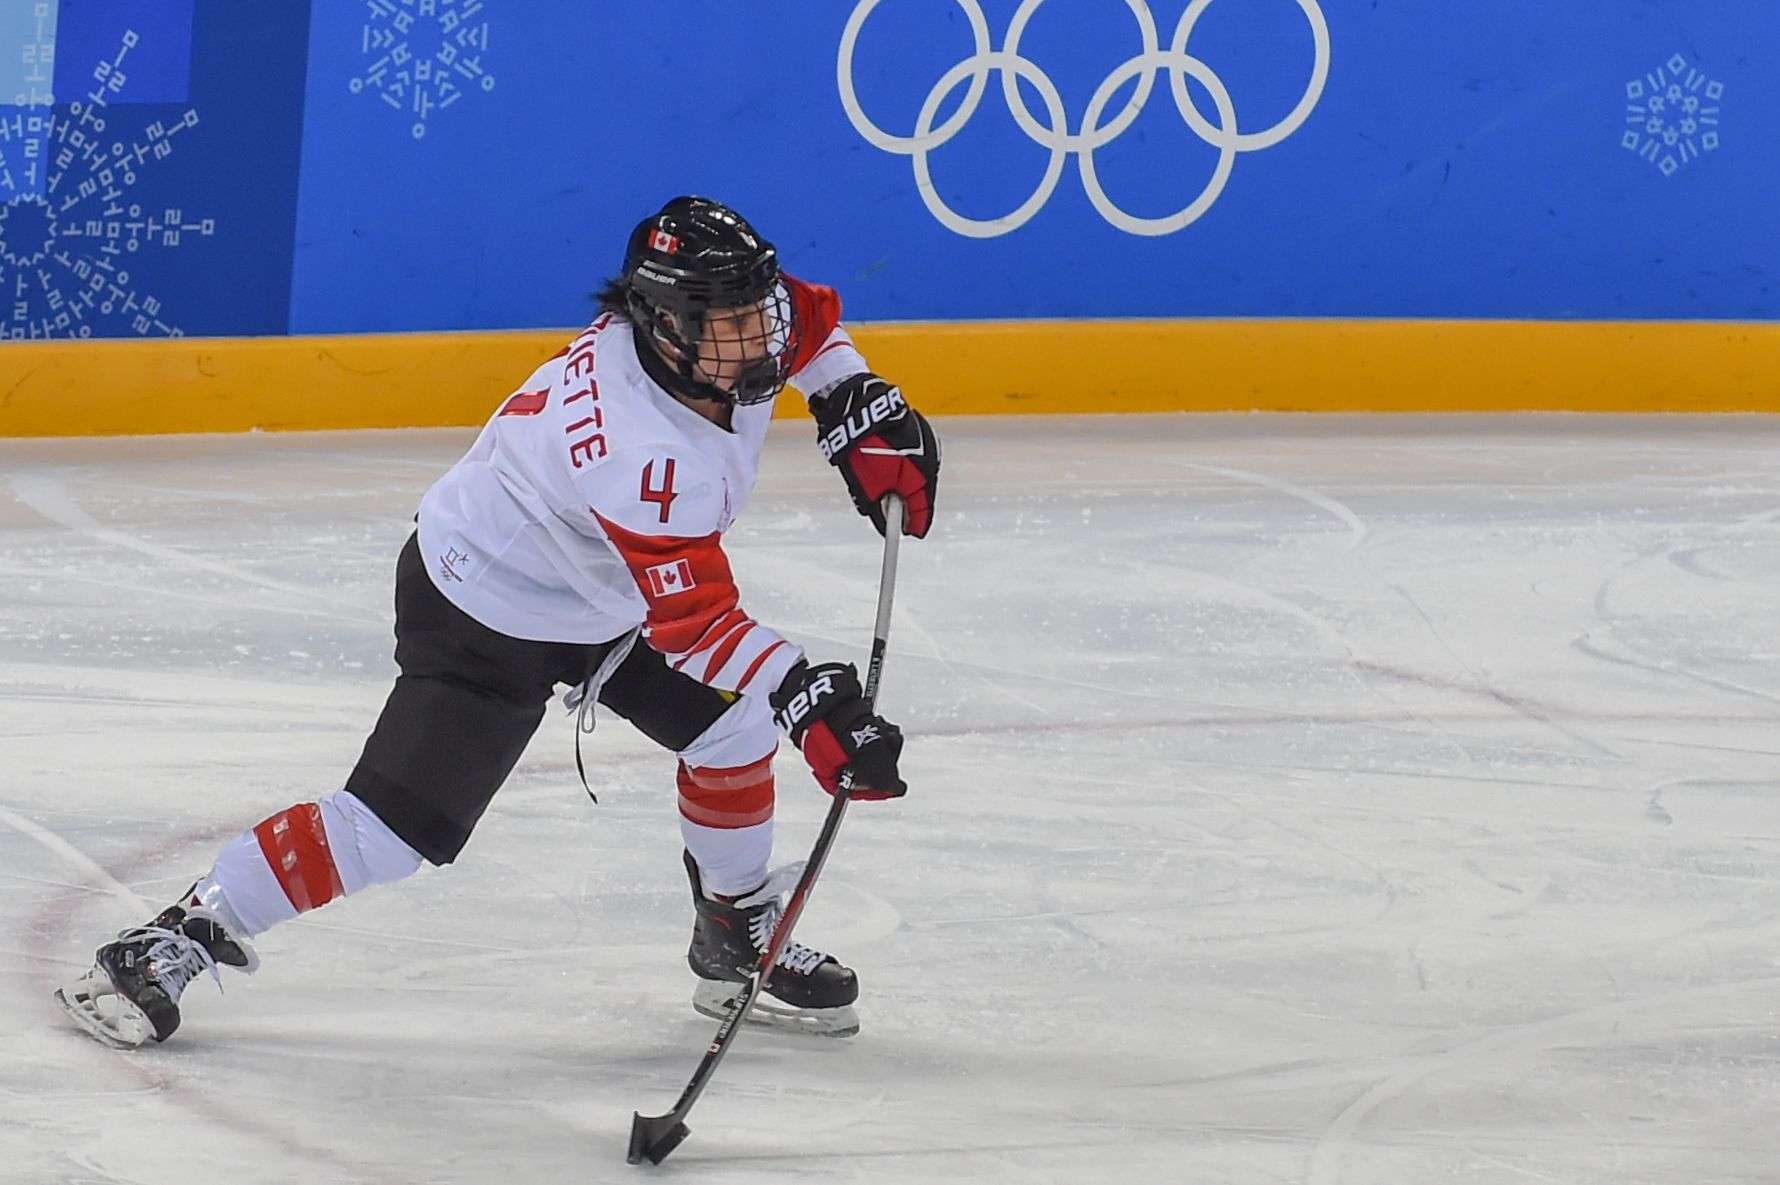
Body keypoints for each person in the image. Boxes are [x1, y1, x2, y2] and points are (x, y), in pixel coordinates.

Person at [56, 195, 941, 1046]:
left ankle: (733, 933)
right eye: (732, 322)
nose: (760, 339)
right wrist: (805, 692)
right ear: (664, 328)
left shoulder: (718, 336)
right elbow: (696, 622)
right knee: (388, 835)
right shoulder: (643, 449)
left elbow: (811, 321)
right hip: (486, 606)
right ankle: (179, 931)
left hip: (606, 590)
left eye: (757, 314)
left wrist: (852, 398)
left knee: (733, 729)